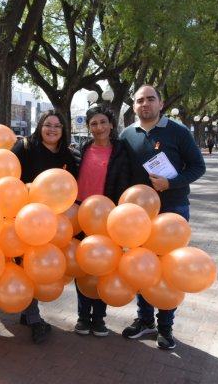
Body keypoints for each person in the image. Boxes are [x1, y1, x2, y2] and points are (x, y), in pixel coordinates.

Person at [120, 85, 206, 350]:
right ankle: (145, 320)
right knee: (142, 266)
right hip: (139, 217)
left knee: (170, 270)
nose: (145, 104)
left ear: (161, 103)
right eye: (139, 100)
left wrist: (172, 183)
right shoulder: (126, 135)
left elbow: (197, 166)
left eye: (150, 99)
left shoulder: (177, 131)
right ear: (134, 106)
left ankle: (166, 328)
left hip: (172, 212)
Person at [11, 110, 77, 344]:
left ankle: (28, 312)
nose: (52, 129)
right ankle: (34, 318)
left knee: (37, 265)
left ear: (63, 130)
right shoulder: (25, 146)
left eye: (57, 126)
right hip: (24, 217)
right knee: (27, 265)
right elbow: (8, 180)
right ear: (40, 126)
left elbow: (72, 186)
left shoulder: (67, 155)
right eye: (48, 125)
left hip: (52, 223)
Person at [72, 105, 130, 337]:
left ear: (111, 125)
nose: (99, 127)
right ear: (88, 127)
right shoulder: (82, 149)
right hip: (80, 215)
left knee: (103, 266)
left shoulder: (121, 150)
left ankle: (99, 319)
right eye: (94, 124)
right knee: (83, 265)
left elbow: (124, 182)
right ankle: (83, 317)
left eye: (103, 122)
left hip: (107, 217)